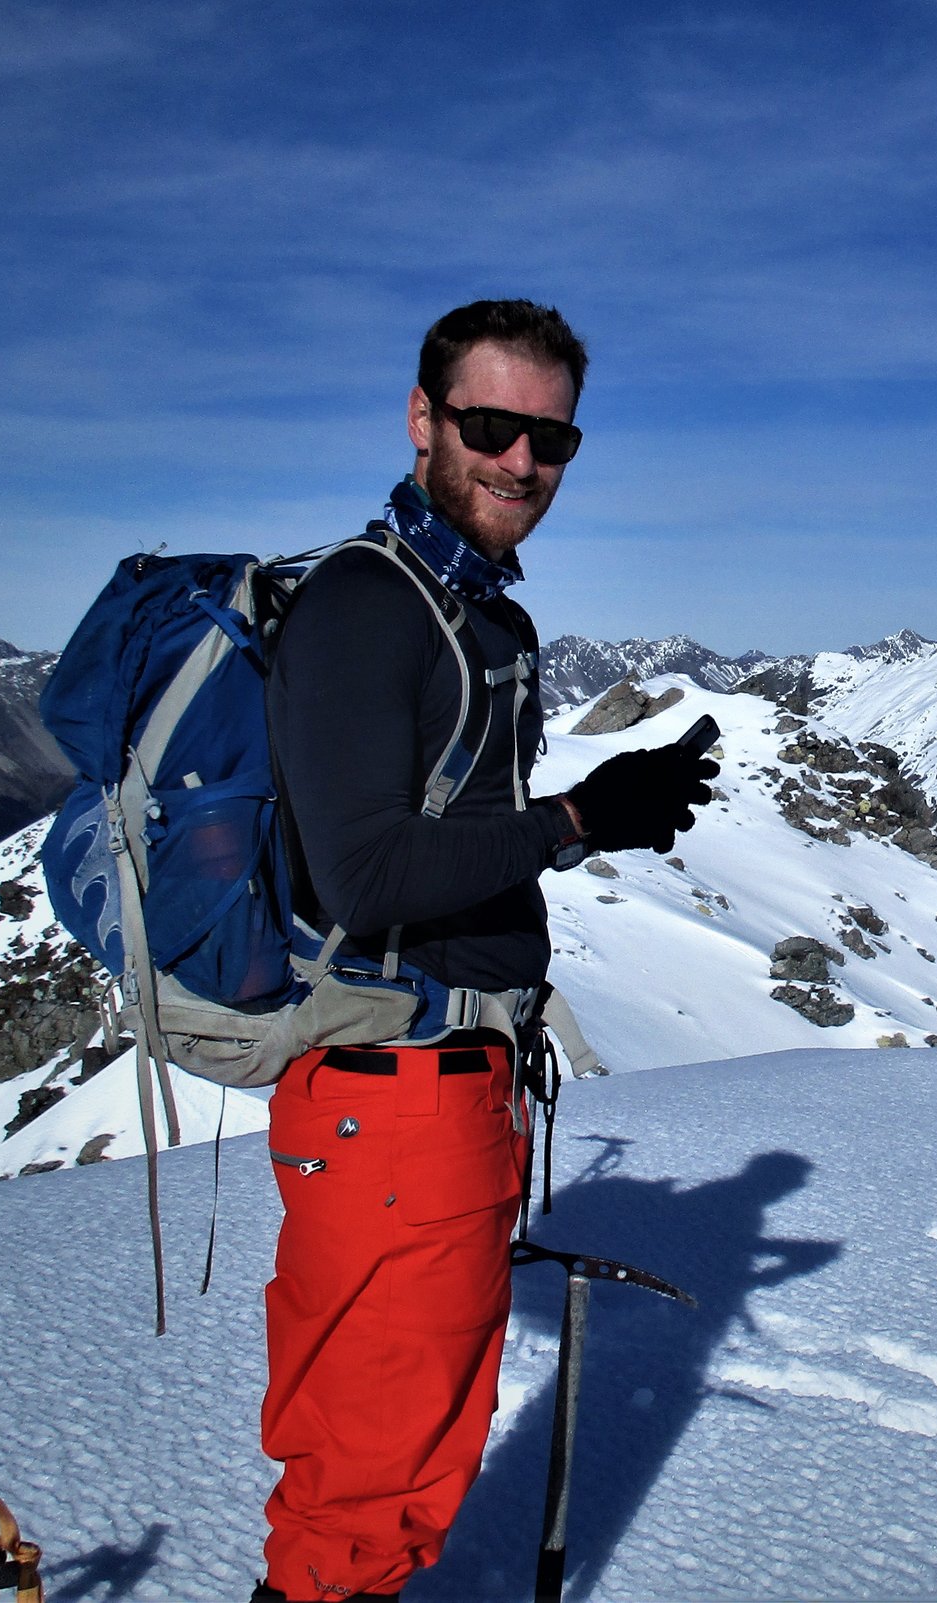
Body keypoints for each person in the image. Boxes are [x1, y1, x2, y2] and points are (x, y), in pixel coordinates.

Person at [252, 299, 717, 1603]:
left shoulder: (475, 621)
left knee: (392, 1477)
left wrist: (583, 820)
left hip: (440, 1108)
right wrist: (573, 817)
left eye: (551, 439)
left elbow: (447, 837)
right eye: (492, 425)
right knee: (364, 1497)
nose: (522, 461)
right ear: (423, 419)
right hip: (391, 1111)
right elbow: (364, 871)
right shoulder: (368, 605)